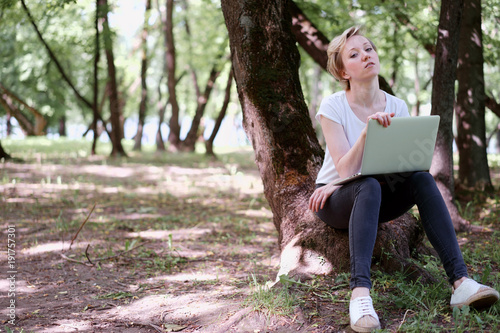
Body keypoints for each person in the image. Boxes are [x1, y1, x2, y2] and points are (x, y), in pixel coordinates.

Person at [308, 26, 499, 333]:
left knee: (421, 178)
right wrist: (366, 134)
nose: (366, 56)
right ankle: (360, 295)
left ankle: (461, 282)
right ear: (343, 71)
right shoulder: (333, 106)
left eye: (369, 49)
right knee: (366, 185)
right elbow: (344, 171)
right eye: (354, 54)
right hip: (333, 198)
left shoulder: (396, 106)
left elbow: (401, 166)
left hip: (377, 194)